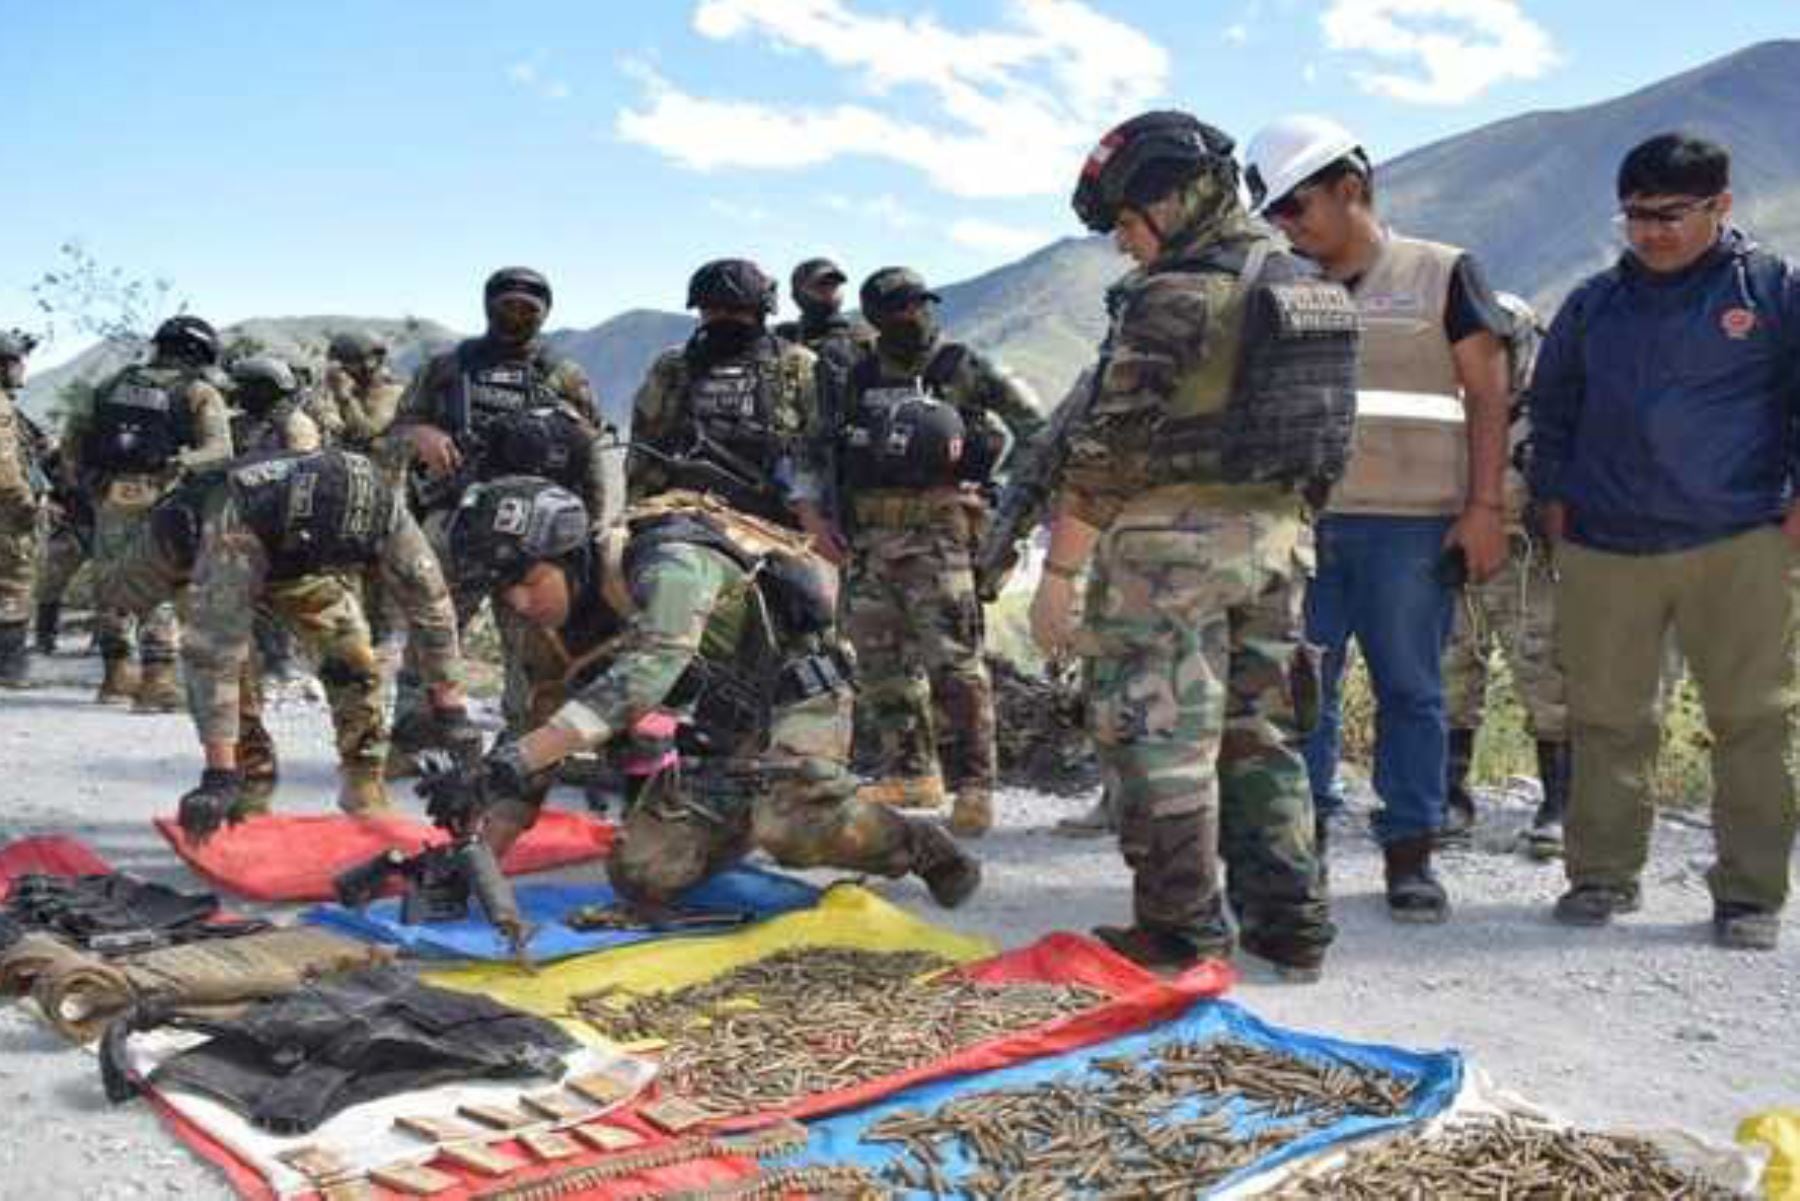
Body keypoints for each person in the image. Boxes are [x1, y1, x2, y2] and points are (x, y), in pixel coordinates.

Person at [1028, 110, 1351, 977]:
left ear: (1178, 197)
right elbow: (1327, 438)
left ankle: (1180, 929)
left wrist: (1058, 574)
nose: (1124, 244)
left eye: (1129, 222)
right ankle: (1291, 927)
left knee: (1159, 740)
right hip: (1279, 543)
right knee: (1264, 732)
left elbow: (1107, 448)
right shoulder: (1308, 282)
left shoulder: (1174, 294)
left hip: (1169, 552)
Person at [440, 477, 981, 911]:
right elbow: (528, 733)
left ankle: (915, 845)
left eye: (528, 580)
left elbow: (652, 668)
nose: (518, 601)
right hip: (725, 733)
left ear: (568, 553)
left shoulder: (669, 561)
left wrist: (518, 757)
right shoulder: (553, 627)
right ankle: (752, 812)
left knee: (792, 829)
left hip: (799, 698)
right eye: (502, 588)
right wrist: (476, 860)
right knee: (643, 875)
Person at [1529, 133, 1800, 951]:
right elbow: (1552, 409)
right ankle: (1602, 874)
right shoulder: (1592, 304)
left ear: (1721, 206)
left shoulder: (1774, 291)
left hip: (1739, 539)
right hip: (1607, 543)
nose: (1649, 231)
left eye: (1669, 214)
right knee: (1608, 717)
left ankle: (1750, 893)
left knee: (1754, 719)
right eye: (1635, 215)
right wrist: (1555, 503)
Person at [1245, 115, 1514, 924]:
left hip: (1412, 528)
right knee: (1302, 697)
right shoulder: (1280, 285)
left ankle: (1411, 855)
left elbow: (1490, 396)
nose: (1286, 227)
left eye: (1297, 208)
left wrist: (1485, 509)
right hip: (1307, 528)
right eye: (1275, 216)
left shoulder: (1442, 273)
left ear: (1351, 189)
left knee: (1413, 693)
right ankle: (1305, 855)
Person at [101, 449, 469, 834]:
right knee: (231, 668)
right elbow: (215, 657)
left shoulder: (383, 511)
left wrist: (452, 715)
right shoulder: (235, 528)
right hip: (197, 550)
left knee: (353, 656)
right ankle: (247, 793)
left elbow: (431, 605)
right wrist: (218, 775)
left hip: (298, 562)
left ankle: (364, 787)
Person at [834, 267, 1042, 834]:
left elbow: (1037, 430)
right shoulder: (859, 376)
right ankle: (913, 772)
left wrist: (997, 498)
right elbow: (831, 447)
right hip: (871, 537)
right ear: (876, 317)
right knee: (881, 664)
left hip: (938, 536)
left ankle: (976, 785)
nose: (914, 316)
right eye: (899, 308)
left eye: (921, 304)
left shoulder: (963, 366)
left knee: (953, 662)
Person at [386, 267, 611, 761]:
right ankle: (417, 736)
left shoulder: (563, 376)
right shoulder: (448, 369)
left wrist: (587, 534)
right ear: (489, 306)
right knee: (435, 629)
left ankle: (521, 751)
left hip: (537, 535)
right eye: (506, 306)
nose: (516, 317)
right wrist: (420, 434)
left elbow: (587, 452)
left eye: (528, 309)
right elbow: (396, 429)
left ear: (545, 313)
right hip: (457, 523)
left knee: (533, 645)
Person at [1438, 292, 1569, 859]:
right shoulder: (1441, 411)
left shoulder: (1550, 413)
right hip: (1448, 553)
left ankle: (1562, 805)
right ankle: (1446, 798)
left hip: (1526, 559)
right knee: (1447, 671)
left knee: (1549, 674)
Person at [69, 315, 234, 710]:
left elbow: (72, 441)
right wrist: (184, 462)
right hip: (164, 495)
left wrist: (86, 485)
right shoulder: (198, 392)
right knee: (164, 580)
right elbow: (221, 450)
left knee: (112, 580)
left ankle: (115, 678)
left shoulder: (109, 386)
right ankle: (158, 683)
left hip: (110, 495)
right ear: (196, 353)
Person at [629, 259, 835, 544]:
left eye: (736, 311)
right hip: (685, 516)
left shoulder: (797, 365)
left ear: (760, 313)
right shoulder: (674, 366)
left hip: (777, 525)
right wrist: (636, 518)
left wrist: (812, 517)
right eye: (712, 309)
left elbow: (820, 450)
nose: (722, 317)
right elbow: (645, 446)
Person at [0, 330, 41, 686]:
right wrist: (25, 502)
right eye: (17, 361)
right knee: (14, 581)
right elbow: (5, 467)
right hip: (5, 512)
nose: (22, 368)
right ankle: (10, 669)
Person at [773, 257, 875, 370]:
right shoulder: (784, 338)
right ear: (797, 294)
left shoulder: (863, 339)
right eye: (821, 285)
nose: (829, 291)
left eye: (834, 285)